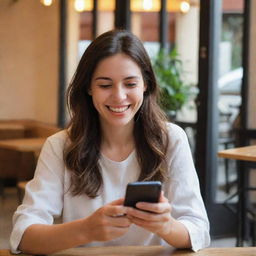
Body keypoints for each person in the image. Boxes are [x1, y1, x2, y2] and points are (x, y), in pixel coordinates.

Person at [10, 29, 210, 254]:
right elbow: (23, 235)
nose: (119, 96)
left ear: (145, 85)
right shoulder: (61, 145)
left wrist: (166, 225)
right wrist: (86, 230)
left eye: (130, 84)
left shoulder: (171, 139)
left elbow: (199, 231)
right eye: (105, 85)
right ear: (89, 88)